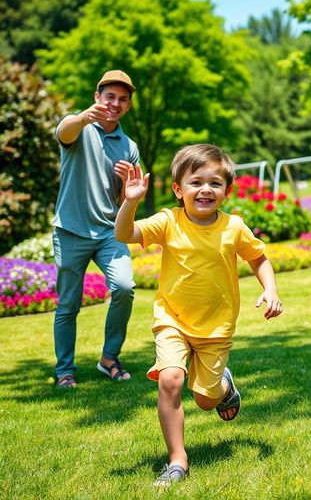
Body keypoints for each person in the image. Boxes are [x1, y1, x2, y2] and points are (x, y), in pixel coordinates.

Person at [114, 143, 283, 487]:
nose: (205, 189)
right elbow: (124, 234)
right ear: (179, 189)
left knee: (206, 401)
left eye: (215, 183)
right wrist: (130, 201)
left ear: (225, 192)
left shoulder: (233, 227)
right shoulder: (168, 221)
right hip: (172, 318)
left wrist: (270, 289)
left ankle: (224, 388)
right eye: (196, 182)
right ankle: (178, 460)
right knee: (171, 379)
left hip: (216, 326)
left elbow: (258, 258)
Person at [53, 69, 139, 388]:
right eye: (110, 97)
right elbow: (64, 131)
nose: (115, 103)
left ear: (128, 105)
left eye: (123, 99)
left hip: (108, 233)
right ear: (97, 98)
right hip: (71, 231)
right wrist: (83, 117)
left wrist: (129, 191)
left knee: (124, 287)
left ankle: (109, 359)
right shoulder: (80, 128)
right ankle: (65, 370)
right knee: (68, 305)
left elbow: (121, 200)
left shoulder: (128, 146)